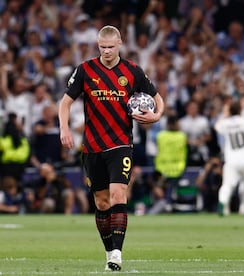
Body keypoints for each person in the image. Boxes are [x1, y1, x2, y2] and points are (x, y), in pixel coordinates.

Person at [58, 25, 164, 271]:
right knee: (102, 203)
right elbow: (65, 103)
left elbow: (158, 98)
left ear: (119, 44)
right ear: (98, 45)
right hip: (93, 146)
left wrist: (156, 116)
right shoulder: (85, 70)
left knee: (118, 195)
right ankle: (109, 252)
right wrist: (64, 129)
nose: (106, 51)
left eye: (110, 47)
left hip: (120, 144)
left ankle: (117, 254)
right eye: (102, 47)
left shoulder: (132, 71)